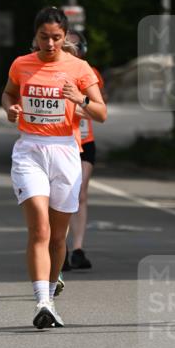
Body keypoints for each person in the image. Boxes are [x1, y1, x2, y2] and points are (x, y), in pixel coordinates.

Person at [1, 6, 106, 328]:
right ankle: (42, 302)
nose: (50, 44)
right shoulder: (21, 64)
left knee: (58, 237)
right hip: (29, 150)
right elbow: (7, 94)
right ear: (35, 35)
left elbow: (101, 113)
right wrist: (10, 109)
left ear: (64, 37)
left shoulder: (79, 68)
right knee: (40, 229)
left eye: (57, 38)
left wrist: (80, 99)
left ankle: (51, 286)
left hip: (65, 152)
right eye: (44, 37)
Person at [63, 30, 107, 272]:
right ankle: (62, 249)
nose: (72, 49)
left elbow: (101, 111)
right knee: (61, 195)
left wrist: (81, 107)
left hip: (84, 143)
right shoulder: (48, 72)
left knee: (79, 192)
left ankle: (78, 248)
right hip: (58, 141)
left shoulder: (91, 74)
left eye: (76, 46)